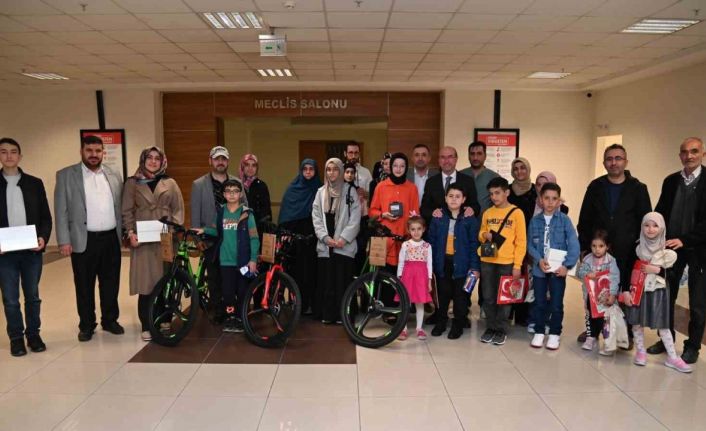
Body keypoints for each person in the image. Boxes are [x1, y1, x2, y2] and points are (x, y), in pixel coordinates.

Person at [577, 144, 651, 346]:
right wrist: (584, 249)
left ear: (626, 162)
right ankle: (593, 331)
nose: (614, 162)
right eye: (609, 159)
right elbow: (584, 219)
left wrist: (643, 251)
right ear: (604, 163)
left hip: (628, 251)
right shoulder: (595, 187)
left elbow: (645, 221)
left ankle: (624, 335)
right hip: (599, 251)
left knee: (625, 292)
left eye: (618, 158)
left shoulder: (638, 188)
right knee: (596, 292)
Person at [55, 135, 124, 342]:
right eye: (89, 150)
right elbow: (61, 211)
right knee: (84, 285)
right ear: (81, 151)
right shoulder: (66, 175)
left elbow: (120, 207)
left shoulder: (113, 174)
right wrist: (64, 240)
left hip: (111, 238)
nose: (93, 155)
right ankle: (86, 325)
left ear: (103, 152)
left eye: (98, 151)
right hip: (83, 240)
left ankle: (110, 320)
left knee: (110, 283)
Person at [648, 137, 706, 364]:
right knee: (666, 297)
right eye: (684, 152)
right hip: (671, 249)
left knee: (698, 303)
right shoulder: (671, 181)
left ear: (702, 154)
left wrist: (686, 239)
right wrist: (655, 235)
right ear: (680, 155)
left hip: (700, 251)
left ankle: (693, 347)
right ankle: (666, 339)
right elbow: (660, 211)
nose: (689, 156)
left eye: (694, 151)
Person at [122, 146, 184, 341]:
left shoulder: (170, 182)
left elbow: (178, 209)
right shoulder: (132, 183)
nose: (153, 161)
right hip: (143, 239)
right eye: (150, 157)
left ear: (162, 161)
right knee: (145, 283)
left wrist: (173, 230)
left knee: (165, 281)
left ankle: (165, 320)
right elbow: (126, 211)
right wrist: (130, 233)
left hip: (165, 238)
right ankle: (147, 325)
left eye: (157, 158)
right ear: (143, 159)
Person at [0, 137, 52, 356]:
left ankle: (33, 335)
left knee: (32, 296)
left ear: (20, 156)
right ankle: (16, 338)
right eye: (4, 152)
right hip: (5, 254)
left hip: (31, 251)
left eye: (13, 152)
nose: (9, 156)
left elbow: (45, 217)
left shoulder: (34, 183)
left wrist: (43, 237)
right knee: (11, 299)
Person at [624, 212, 691, 373]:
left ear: (662, 228)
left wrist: (658, 270)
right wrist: (625, 290)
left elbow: (675, 275)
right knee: (636, 322)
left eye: (655, 225)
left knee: (663, 324)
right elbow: (627, 269)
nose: (650, 229)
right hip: (638, 291)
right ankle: (640, 351)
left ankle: (672, 357)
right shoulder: (636, 246)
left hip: (658, 292)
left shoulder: (667, 248)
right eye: (646, 225)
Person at [200, 179, 259, 333]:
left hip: (243, 262)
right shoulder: (221, 213)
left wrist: (253, 259)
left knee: (242, 292)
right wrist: (204, 230)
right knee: (227, 293)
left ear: (240, 194)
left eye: (235, 191)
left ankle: (241, 318)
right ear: (224, 194)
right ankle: (230, 318)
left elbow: (254, 238)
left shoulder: (247, 214)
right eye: (228, 191)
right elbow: (215, 230)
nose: (232, 194)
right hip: (225, 261)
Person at [526, 183, 579, 350]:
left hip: (558, 270)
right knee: (539, 302)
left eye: (554, 199)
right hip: (540, 269)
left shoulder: (565, 220)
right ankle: (539, 331)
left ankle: (555, 333)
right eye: (546, 198)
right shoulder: (535, 221)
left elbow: (574, 244)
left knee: (556, 303)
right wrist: (538, 260)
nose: (550, 202)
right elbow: (529, 245)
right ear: (541, 200)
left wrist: (567, 265)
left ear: (559, 201)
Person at [190, 146, 238, 323]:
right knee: (214, 277)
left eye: (223, 159)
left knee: (231, 276)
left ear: (228, 161)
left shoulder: (236, 182)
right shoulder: (198, 184)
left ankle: (232, 309)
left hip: (232, 238)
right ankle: (218, 311)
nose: (220, 162)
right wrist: (197, 239)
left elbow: (245, 210)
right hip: (209, 239)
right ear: (210, 161)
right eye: (217, 159)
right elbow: (195, 214)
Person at [428, 184, 480, 339]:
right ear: (445, 198)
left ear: (464, 199)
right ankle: (441, 322)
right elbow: (431, 242)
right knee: (442, 295)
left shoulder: (470, 219)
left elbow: (474, 245)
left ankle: (458, 324)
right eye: (450, 196)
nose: (454, 199)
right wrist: (430, 266)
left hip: (463, 265)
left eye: (458, 196)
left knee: (460, 296)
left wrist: (475, 267)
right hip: (442, 263)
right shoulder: (438, 217)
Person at [478, 177, 526, 346]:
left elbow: (521, 242)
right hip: (487, 260)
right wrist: (484, 235)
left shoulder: (517, 213)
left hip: (507, 262)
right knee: (488, 296)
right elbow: (481, 234)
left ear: (507, 192)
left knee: (504, 298)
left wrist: (517, 265)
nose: (494, 197)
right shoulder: (488, 213)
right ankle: (490, 327)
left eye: (497, 193)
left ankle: (501, 329)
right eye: (491, 194)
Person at [312, 158, 361, 323]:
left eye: (335, 169)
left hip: (343, 245)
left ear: (340, 171)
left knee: (343, 282)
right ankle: (328, 315)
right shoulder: (320, 192)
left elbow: (355, 218)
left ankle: (343, 316)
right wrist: (325, 238)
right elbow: (316, 218)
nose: (331, 173)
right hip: (326, 245)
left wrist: (343, 239)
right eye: (328, 169)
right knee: (327, 282)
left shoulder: (350, 191)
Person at [278, 159, 322, 316]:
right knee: (297, 273)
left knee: (313, 273)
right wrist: (285, 232)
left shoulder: (320, 190)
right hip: (296, 240)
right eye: (305, 169)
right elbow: (286, 214)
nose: (308, 172)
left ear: (316, 171)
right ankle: (299, 305)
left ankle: (312, 305)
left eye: (311, 169)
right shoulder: (293, 189)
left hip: (314, 239)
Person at [369, 153, 420, 274]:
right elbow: (372, 211)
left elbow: (416, 215)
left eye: (402, 166)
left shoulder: (412, 188)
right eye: (395, 165)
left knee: (403, 278)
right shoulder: (381, 186)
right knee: (383, 278)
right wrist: (383, 215)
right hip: (384, 241)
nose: (398, 169)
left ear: (406, 168)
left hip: (405, 240)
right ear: (391, 167)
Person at [576, 229, 620, 354]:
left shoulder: (611, 261)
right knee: (590, 316)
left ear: (607, 247)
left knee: (606, 319)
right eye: (594, 246)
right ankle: (591, 337)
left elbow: (615, 278)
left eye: (601, 246)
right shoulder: (587, 259)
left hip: (605, 296)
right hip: (591, 296)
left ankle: (608, 342)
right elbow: (579, 272)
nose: (597, 249)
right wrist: (587, 274)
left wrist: (613, 294)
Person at [507, 157, 534, 327]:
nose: (519, 171)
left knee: (526, 277)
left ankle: (523, 316)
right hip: (509, 242)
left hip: (529, 240)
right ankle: (508, 312)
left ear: (528, 169)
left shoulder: (535, 191)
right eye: (515, 169)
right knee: (511, 275)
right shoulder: (508, 191)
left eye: (522, 168)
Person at [421, 146, 480, 225]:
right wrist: (433, 212)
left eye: (450, 157)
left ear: (456, 159)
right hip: (437, 228)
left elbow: (476, 206)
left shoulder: (468, 181)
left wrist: (471, 210)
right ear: (439, 160)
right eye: (443, 157)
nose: (446, 161)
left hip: (462, 228)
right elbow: (424, 208)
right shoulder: (431, 182)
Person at [397, 216, 433, 341]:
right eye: (413, 229)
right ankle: (403, 328)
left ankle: (419, 328)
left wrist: (429, 281)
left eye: (419, 229)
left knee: (420, 302)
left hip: (421, 278)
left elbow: (429, 264)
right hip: (407, 277)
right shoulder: (405, 245)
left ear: (423, 229)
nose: (416, 232)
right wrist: (399, 279)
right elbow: (401, 262)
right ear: (409, 230)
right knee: (405, 303)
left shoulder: (427, 246)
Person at [460, 141, 499, 214]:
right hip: (463, 218)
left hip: (487, 219)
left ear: (485, 156)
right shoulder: (460, 175)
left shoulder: (494, 177)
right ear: (468, 156)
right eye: (472, 154)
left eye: (479, 154)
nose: (475, 157)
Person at [240, 154, 272, 239]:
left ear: (257, 168)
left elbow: (267, 211)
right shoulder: (237, 185)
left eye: (253, 165)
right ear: (242, 167)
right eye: (247, 165)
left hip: (258, 230)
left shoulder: (261, 185)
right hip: (239, 228)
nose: (250, 168)